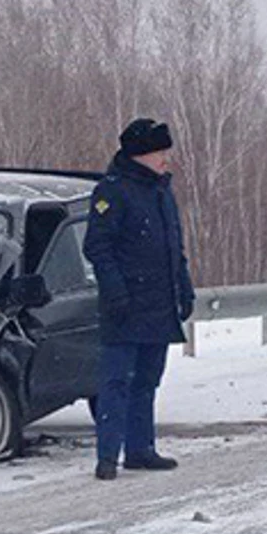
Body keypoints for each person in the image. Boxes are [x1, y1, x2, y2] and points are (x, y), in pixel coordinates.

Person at [81, 117, 196, 481]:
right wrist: (114, 289)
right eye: (162, 153)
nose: (166, 160)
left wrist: (184, 286)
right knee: (117, 382)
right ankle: (107, 456)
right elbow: (97, 247)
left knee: (148, 379)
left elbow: (173, 248)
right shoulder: (112, 191)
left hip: (158, 302)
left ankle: (140, 449)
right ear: (142, 154)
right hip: (126, 303)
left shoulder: (161, 190)